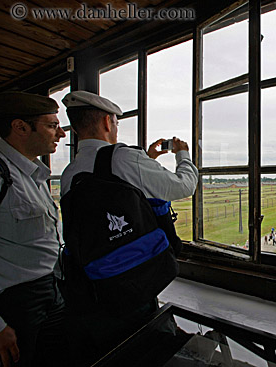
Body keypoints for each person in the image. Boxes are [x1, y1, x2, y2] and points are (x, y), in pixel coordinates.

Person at [59, 90, 198, 365]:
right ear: (108, 122)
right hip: (134, 283)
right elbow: (185, 186)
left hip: (92, 287)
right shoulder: (124, 158)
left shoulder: (69, 173)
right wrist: (183, 155)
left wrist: (146, 160)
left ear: (76, 128)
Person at [0, 92, 68, 367]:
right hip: (13, 302)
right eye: (52, 125)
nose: (61, 133)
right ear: (20, 127)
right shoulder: (1, 176)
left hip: (50, 289)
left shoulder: (33, 174)